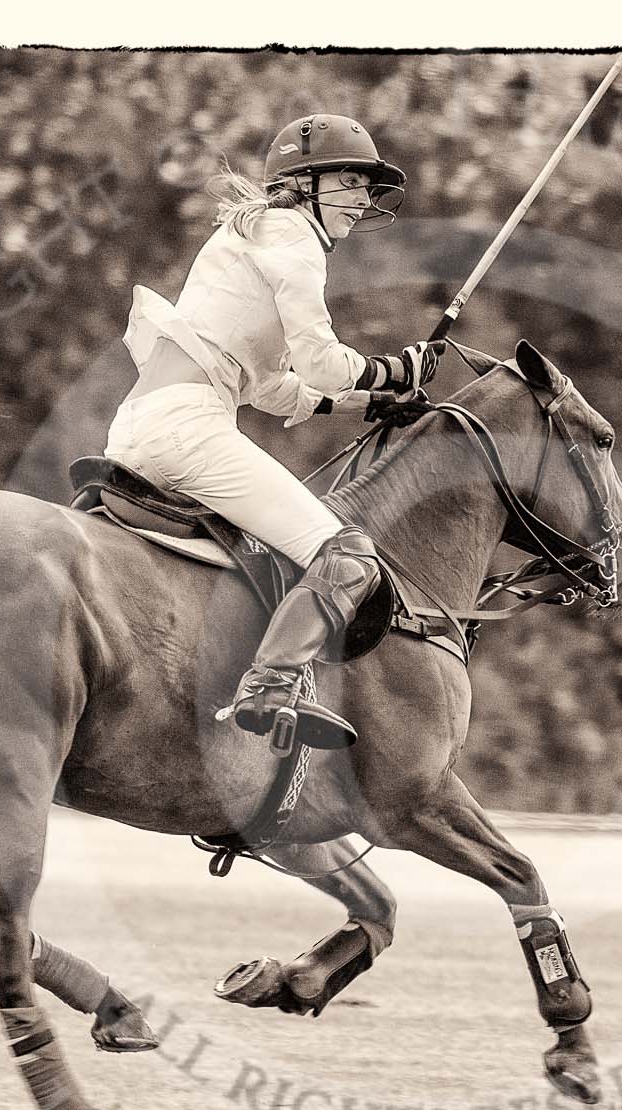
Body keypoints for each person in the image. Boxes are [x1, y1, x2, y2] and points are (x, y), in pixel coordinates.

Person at [103, 114, 444, 751]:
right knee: (348, 555)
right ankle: (270, 683)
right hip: (186, 428)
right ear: (306, 183)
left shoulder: (257, 235)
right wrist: (396, 369)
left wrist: (369, 406)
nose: (364, 198)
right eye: (350, 180)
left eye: (369, 186)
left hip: (141, 426)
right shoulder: (295, 237)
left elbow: (270, 388)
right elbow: (319, 361)